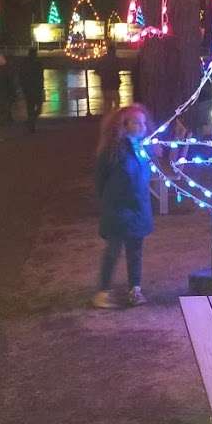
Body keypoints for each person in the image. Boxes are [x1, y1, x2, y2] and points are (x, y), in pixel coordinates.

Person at [92, 104, 153, 310]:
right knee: (113, 250)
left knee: (135, 251)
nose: (142, 126)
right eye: (136, 122)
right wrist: (109, 201)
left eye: (143, 122)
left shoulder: (142, 148)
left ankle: (134, 289)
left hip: (138, 207)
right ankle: (103, 291)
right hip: (118, 209)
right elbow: (100, 180)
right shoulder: (113, 151)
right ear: (124, 125)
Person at [0, 54, 17, 140]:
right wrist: (14, 94)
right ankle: (0, 135)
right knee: (3, 116)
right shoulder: (6, 73)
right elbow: (11, 84)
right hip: (4, 97)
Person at [18, 48, 45, 134]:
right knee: (38, 107)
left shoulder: (24, 64)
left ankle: (30, 122)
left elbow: (21, 77)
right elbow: (41, 77)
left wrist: (22, 87)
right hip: (36, 88)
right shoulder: (38, 64)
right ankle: (31, 122)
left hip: (28, 89)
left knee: (30, 107)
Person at [95, 41, 122, 113]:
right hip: (114, 85)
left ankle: (107, 120)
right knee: (117, 105)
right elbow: (119, 69)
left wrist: (103, 74)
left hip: (105, 85)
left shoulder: (102, 59)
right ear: (114, 50)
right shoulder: (116, 60)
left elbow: (97, 70)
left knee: (107, 105)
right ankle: (115, 121)